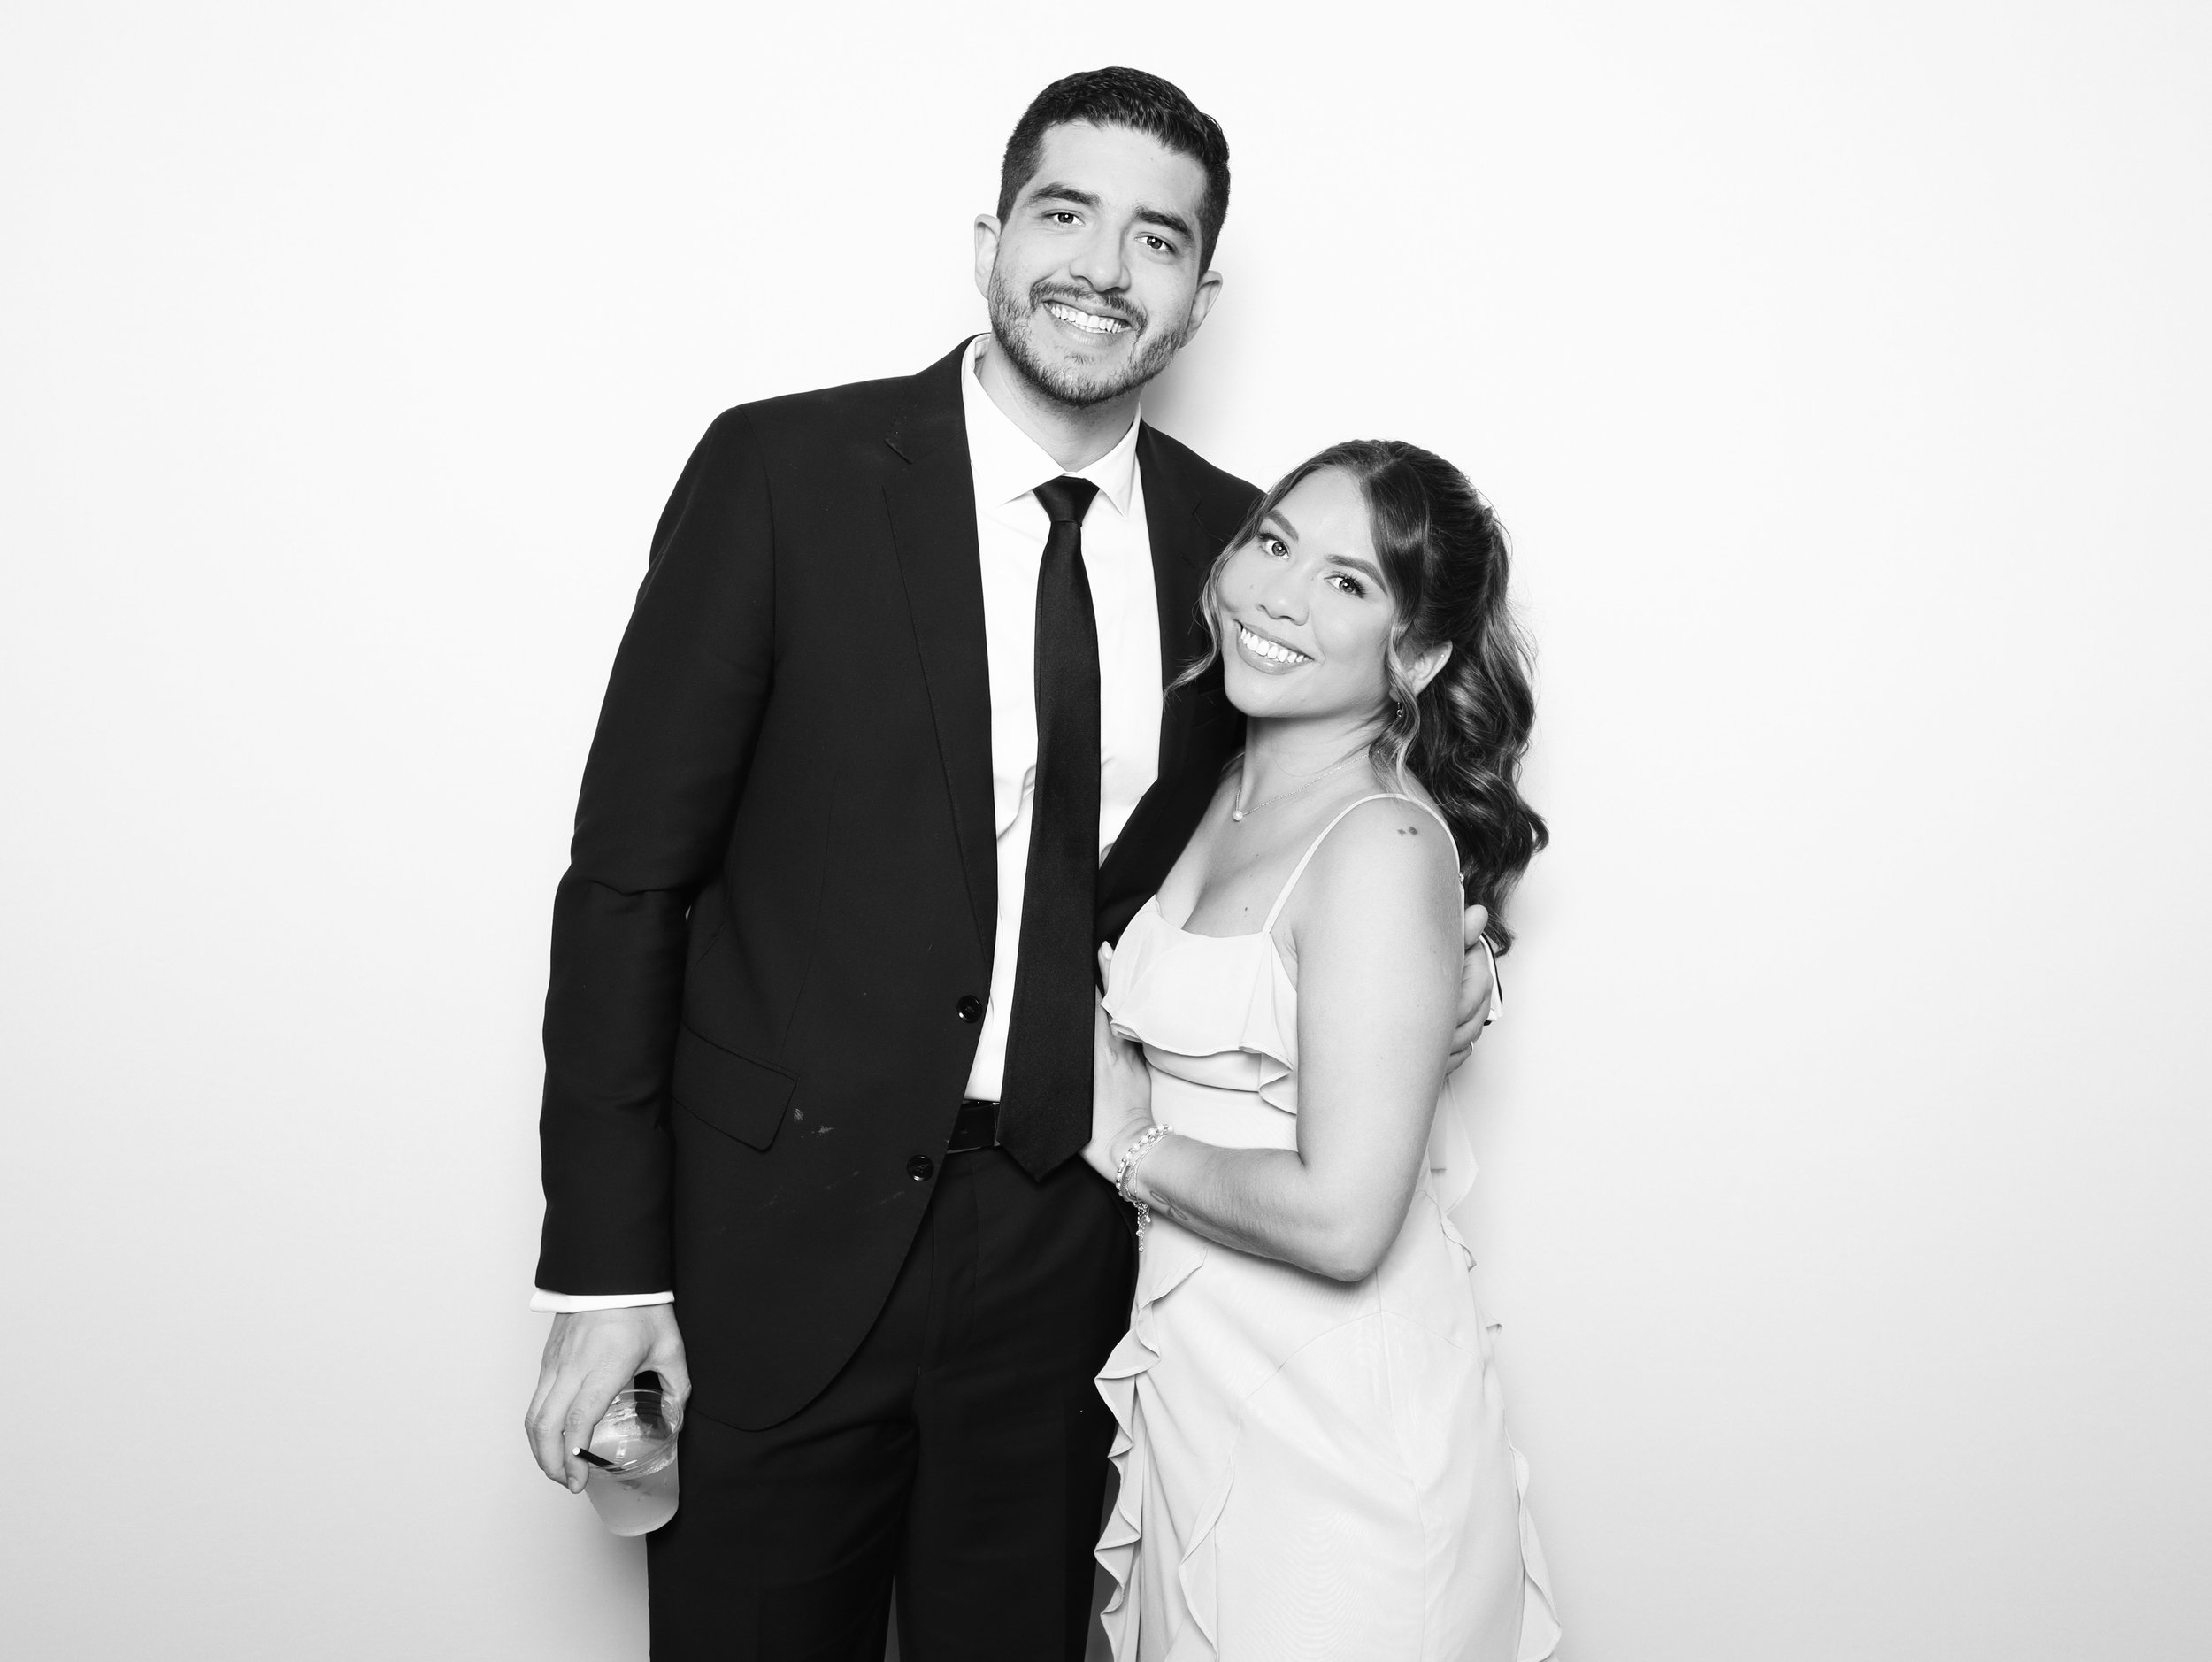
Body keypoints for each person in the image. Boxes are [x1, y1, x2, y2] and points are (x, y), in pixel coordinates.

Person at [522, 69, 1499, 1661]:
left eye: (1158, 239)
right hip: (780, 1238)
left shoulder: (1237, 549)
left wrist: (1466, 938)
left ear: (1201, 290)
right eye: (1066, 213)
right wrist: (605, 1269)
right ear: (993, 233)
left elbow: (1356, 782)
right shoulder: (784, 474)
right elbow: (627, 885)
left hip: (1071, 1262)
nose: (1105, 268)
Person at [1085, 442, 1562, 1659]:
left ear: (1418, 654)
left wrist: (1128, 1142)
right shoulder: (1214, 775)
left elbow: (1347, 1220)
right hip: (1204, 1398)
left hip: (1340, 1443)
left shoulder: (1382, 843)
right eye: (1276, 542)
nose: (1281, 595)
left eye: (1350, 583)